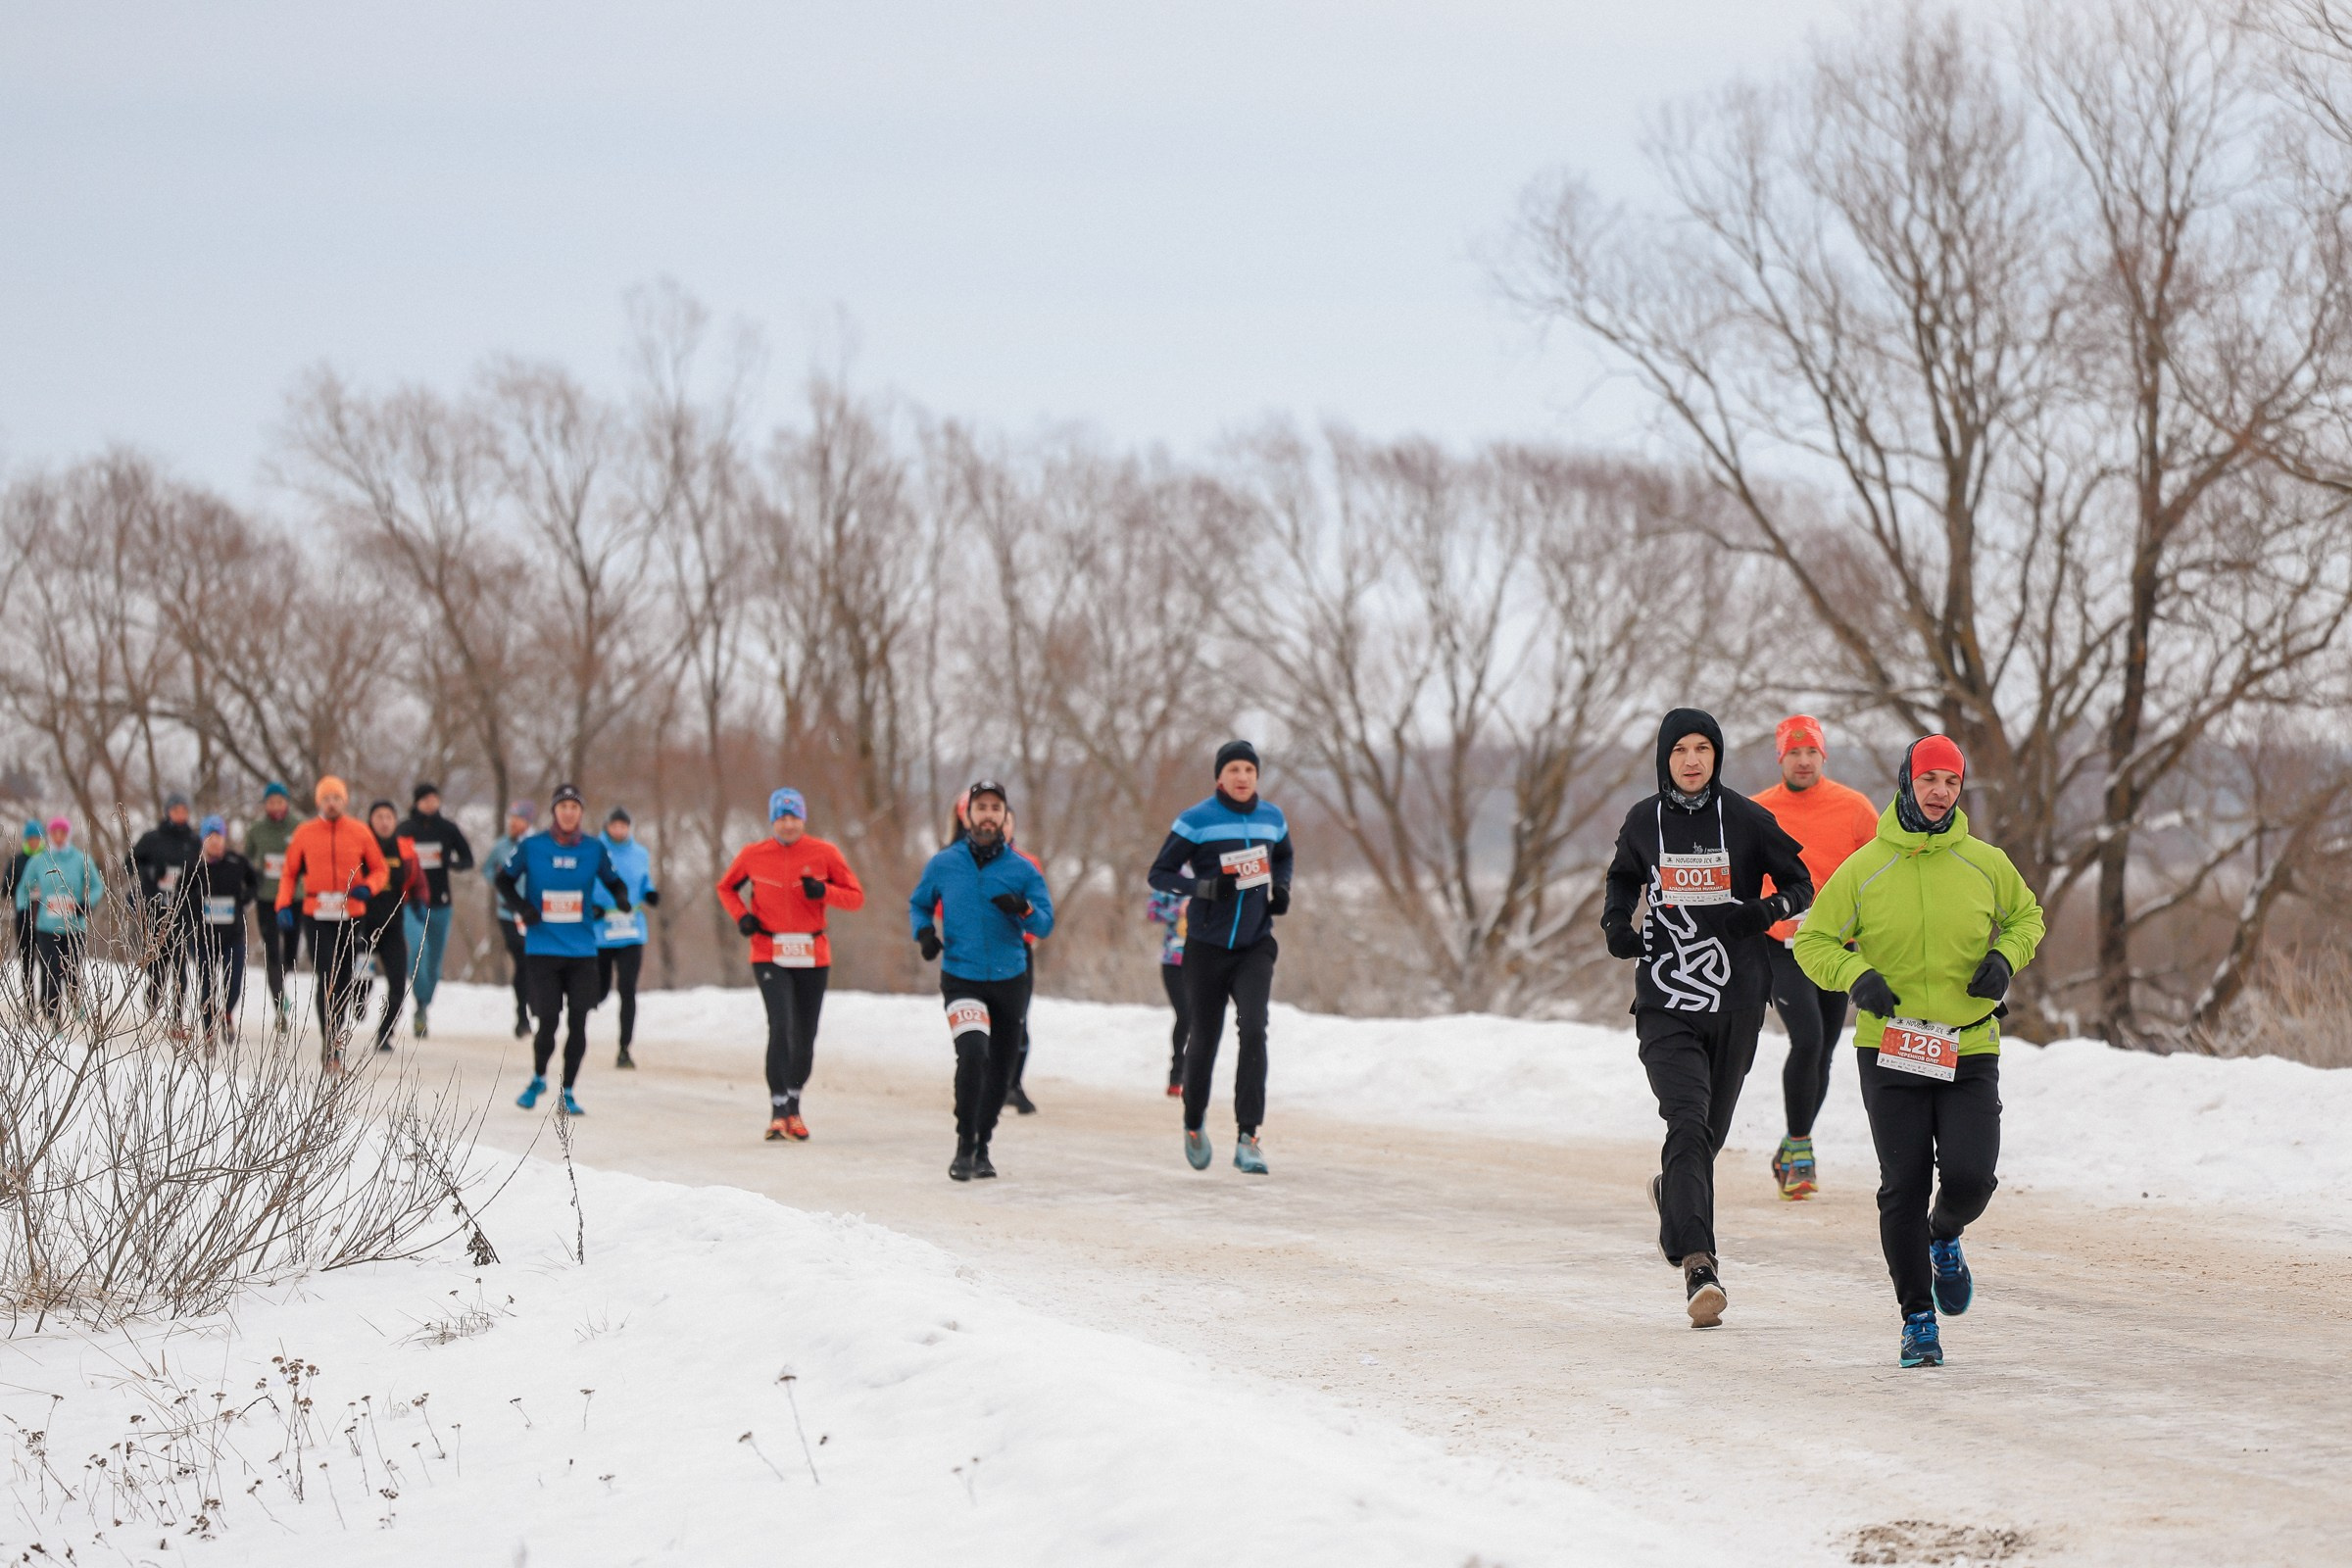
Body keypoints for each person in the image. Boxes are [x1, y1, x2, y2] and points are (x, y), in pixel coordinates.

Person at [1795, 736, 2045, 1369]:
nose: (1939, 792)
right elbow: (1813, 941)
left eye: (1951, 783)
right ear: (1907, 781)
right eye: (1929, 779)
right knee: (1901, 1187)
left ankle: (1946, 1235)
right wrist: (1854, 974)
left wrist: (2003, 957)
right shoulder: (1866, 866)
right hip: (1892, 1048)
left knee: (1969, 1177)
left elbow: (2027, 918)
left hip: (1967, 1046)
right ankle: (1916, 1319)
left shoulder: (1985, 862)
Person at [1600, 709, 1813, 1328]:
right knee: (1687, 1123)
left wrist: (1762, 912)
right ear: (1664, 759)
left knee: (1705, 1141)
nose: (1692, 761)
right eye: (1680, 751)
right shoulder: (1644, 820)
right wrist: (1618, 923)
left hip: (1738, 1002)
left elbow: (1803, 885)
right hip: (1666, 1002)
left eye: (1703, 750)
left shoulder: (1746, 819)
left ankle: (1675, 1193)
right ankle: (1700, 1264)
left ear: (1716, 757)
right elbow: (1622, 880)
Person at [1750, 714, 1882, 1200]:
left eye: (1811, 753)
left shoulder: (1853, 808)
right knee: (1806, 1039)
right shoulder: (1759, 811)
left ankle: (1789, 1144)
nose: (1803, 761)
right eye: (1793, 752)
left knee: (1824, 1048)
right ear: (1780, 757)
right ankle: (1802, 1150)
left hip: (1834, 946)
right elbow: (1738, 875)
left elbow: (1879, 871)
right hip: (1780, 943)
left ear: (1822, 756)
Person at [1148, 740, 1293, 1175]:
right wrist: (1204, 888)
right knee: (1204, 1038)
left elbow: (1283, 855)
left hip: (1254, 945)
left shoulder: (1272, 818)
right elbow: (1160, 874)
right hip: (1207, 948)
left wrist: (1281, 889)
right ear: (1219, 777)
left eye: (1249, 769)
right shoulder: (1196, 820)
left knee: (1253, 1027)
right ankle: (1194, 1122)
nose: (1243, 776)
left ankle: (1249, 1137)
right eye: (1234, 769)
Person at [908, 780, 1053, 1181]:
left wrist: (1023, 909)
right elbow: (919, 903)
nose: (988, 814)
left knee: (1001, 1069)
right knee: (972, 1053)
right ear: (967, 815)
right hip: (962, 977)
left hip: (1010, 979)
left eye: (996, 808)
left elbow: (1045, 922)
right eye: (981, 807)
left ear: (1005, 817)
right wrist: (923, 932)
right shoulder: (944, 863)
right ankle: (963, 1144)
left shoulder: (1022, 869)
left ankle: (983, 1144)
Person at [716, 788, 864, 1139]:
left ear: (803, 819)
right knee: (780, 1025)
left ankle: (794, 1106)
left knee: (805, 1034)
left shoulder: (824, 853)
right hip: (769, 951)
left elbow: (856, 898)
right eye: (781, 817)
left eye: (793, 817)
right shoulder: (753, 855)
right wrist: (742, 917)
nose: (787, 824)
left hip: (813, 954)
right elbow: (725, 888)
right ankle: (777, 1107)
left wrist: (824, 892)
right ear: (772, 821)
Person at [495, 784, 632, 1115]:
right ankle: (539, 1076)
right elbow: (503, 880)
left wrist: (621, 898)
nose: (569, 813)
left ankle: (567, 1090)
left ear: (581, 814)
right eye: (563, 807)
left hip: (583, 950)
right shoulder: (532, 846)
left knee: (579, 1022)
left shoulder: (593, 849)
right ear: (554, 812)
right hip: (543, 949)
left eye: (575, 807)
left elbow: (614, 881)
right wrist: (522, 907)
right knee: (548, 1021)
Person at [273, 776, 390, 1066]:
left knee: (344, 979)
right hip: (316, 912)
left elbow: (380, 869)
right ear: (319, 802)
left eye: (337, 798)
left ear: (344, 801)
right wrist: (283, 904)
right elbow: (289, 873)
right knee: (326, 975)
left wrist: (369, 888)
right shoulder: (305, 833)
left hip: (351, 912)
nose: (332, 803)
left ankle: (336, 1036)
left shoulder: (360, 831)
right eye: (326, 798)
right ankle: (330, 1042)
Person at [397, 781, 475, 1040]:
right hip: (411, 902)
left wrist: (452, 863)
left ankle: (423, 1006)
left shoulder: (448, 829)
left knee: (434, 961)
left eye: (435, 799)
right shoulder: (406, 830)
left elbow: (468, 859)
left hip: (441, 902)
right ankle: (419, 999)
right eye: (426, 799)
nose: (431, 804)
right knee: (418, 949)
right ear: (417, 802)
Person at [592, 806, 662, 1069]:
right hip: (602, 930)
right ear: (607, 826)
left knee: (628, 989)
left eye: (624, 826)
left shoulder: (640, 853)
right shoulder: (594, 850)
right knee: (599, 991)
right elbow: (585, 881)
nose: (619, 830)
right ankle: (582, 1014)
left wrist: (650, 894)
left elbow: (643, 882)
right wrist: (592, 906)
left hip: (631, 929)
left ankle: (624, 1049)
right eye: (615, 826)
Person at [128, 790, 203, 1033]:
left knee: (181, 971)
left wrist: (193, 890)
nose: (180, 814)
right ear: (167, 812)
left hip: (182, 910)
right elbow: (129, 862)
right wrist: (150, 871)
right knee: (158, 964)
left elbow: (202, 874)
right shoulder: (152, 838)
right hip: (154, 908)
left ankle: (176, 1021)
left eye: (184, 810)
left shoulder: (194, 841)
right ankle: (154, 988)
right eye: (176, 809)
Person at [357, 800, 427, 1054]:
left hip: (392, 927)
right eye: (379, 817)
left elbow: (419, 879)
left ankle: (385, 1034)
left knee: (398, 983)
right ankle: (358, 999)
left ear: (395, 821)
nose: (384, 822)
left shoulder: (404, 849)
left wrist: (420, 900)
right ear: (371, 820)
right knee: (361, 980)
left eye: (389, 817)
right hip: (363, 927)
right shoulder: (361, 846)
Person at [16, 817, 101, 1022]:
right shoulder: (39, 860)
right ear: (50, 836)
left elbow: (98, 886)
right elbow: (23, 888)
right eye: (55, 833)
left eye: (63, 833)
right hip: (46, 927)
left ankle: (75, 1001)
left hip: (74, 927)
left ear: (69, 835)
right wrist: (25, 910)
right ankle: (55, 1019)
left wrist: (86, 905)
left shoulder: (81, 860)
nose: (59, 837)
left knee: (72, 973)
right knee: (51, 972)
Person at [187, 815, 259, 1048]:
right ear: (202, 840)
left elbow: (256, 882)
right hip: (203, 938)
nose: (215, 842)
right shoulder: (194, 868)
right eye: (210, 837)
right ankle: (209, 1034)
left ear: (224, 839)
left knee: (233, 983)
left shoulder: (237, 862)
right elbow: (181, 899)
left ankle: (227, 1013)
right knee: (207, 986)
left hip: (233, 936)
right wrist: (195, 909)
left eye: (218, 837)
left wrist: (244, 899)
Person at [244, 781, 303, 1030]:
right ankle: (280, 1006)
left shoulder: (299, 826)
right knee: (272, 953)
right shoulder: (257, 829)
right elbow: (247, 859)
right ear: (265, 805)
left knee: (289, 955)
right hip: (267, 897)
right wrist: (252, 878)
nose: (276, 806)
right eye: (271, 802)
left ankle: (282, 980)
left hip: (294, 898)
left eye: (280, 801)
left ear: (287, 803)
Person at [482, 801, 538, 1040]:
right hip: (508, 912)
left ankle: (534, 1005)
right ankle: (522, 1015)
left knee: (534, 961)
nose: (514, 823)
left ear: (528, 823)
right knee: (521, 959)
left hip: (532, 912)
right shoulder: (500, 847)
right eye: (512, 819)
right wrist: (501, 886)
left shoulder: (536, 845)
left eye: (519, 819)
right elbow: (486, 870)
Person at [1147, 887, 1189, 1096]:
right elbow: (1152, 912)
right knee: (1185, 1014)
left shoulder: (1212, 873)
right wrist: (1179, 910)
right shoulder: (1174, 877)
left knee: (1201, 1018)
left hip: (1206, 960)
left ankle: (1195, 1074)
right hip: (1174, 960)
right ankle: (1177, 1076)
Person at [6, 820, 40, 1003]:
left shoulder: (47, 858)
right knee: (27, 962)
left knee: (48, 961)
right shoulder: (17, 861)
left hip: (46, 916)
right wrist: (22, 891)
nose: (34, 841)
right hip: (24, 915)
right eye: (31, 838)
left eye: (37, 838)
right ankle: (29, 1005)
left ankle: (47, 1003)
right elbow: (6, 888)